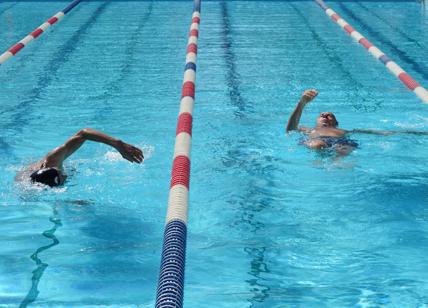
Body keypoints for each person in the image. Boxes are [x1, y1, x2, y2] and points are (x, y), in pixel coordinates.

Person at [286, 89, 428, 155]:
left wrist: (418, 132)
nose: (325, 115)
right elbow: (291, 129)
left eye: (330, 116)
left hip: (340, 142)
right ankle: (321, 161)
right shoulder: (307, 130)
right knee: (317, 144)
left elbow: (385, 133)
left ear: (336, 123)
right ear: (316, 120)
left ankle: (338, 164)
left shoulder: (345, 131)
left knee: (345, 148)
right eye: (322, 115)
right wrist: (302, 103)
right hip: (317, 140)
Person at [20, 128, 144, 187]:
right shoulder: (31, 188)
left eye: (60, 172)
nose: (65, 175)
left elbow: (83, 133)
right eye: (62, 176)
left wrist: (117, 144)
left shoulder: (53, 160)